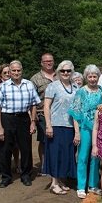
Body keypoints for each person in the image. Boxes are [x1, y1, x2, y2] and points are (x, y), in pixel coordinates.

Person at [0, 60, 41, 188]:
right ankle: (6, 177)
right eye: (13, 70)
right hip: (7, 118)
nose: (16, 73)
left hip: (24, 119)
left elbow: (34, 104)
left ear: (22, 71)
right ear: (10, 72)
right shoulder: (3, 86)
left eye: (18, 70)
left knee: (26, 148)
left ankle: (26, 175)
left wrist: (32, 122)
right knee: (5, 149)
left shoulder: (29, 85)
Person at [68, 65, 102, 199]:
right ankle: (81, 186)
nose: (93, 79)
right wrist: (77, 132)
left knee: (95, 156)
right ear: (86, 77)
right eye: (90, 76)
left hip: (99, 128)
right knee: (83, 157)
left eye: (95, 76)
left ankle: (93, 185)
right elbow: (75, 113)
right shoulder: (81, 92)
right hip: (85, 128)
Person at [44, 61, 78, 195]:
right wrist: (48, 125)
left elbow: (76, 109)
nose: (65, 73)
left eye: (68, 71)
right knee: (55, 154)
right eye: (63, 71)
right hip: (56, 125)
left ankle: (61, 180)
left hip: (70, 126)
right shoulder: (53, 86)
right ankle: (54, 183)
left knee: (66, 154)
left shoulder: (75, 87)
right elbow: (46, 106)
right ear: (58, 72)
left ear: (72, 72)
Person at [30, 53, 56, 175]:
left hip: (59, 114)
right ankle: (44, 165)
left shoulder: (60, 75)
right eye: (46, 61)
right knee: (44, 140)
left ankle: (55, 164)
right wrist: (33, 118)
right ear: (41, 63)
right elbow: (31, 99)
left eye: (50, 61)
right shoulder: (35, 79)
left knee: (56, 140)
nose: (49, 63)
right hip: (42, 114)